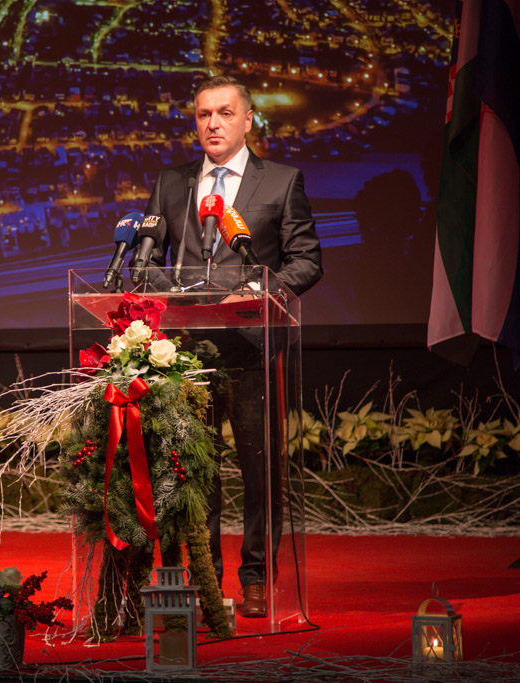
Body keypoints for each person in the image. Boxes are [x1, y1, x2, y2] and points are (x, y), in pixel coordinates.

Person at [142, 75, 322, 617]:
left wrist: (263, 290)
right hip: (188, 352)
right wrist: (169, 291)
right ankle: (206, 578)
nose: (213, 124)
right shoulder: (172, 182)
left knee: (259, 471)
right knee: (198, 473)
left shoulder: (281, 181)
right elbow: (148, 260)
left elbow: (306, 260)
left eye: (224, 113)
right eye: (203, 115)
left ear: (248, 120)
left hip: (253, 347)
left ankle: (257, 577)